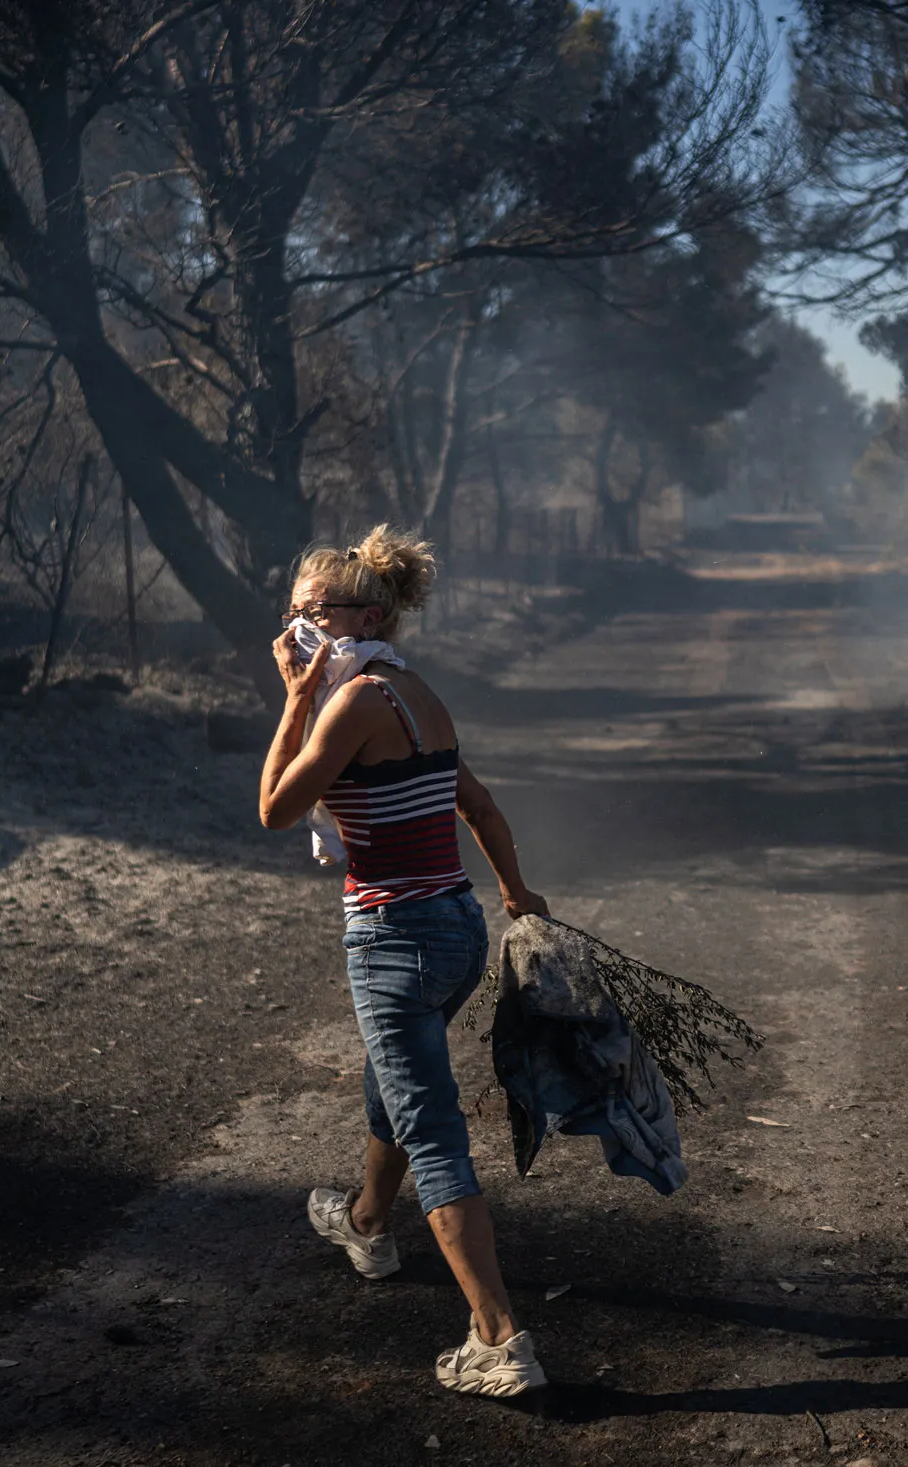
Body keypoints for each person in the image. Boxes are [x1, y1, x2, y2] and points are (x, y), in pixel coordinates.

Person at [257, 525, 551, 1398]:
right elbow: (482, 806)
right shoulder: (418, 693)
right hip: (454, 928)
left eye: (315, 613)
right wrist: (515, 894)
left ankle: (499, 1339)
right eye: (293, 613)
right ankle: (367, 1224)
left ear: (369, 614)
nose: (299, 629)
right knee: (395, 1083)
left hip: (394, 938)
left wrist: (292, 697)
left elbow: (275, 808)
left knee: (430, 1127)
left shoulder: (349, 704)